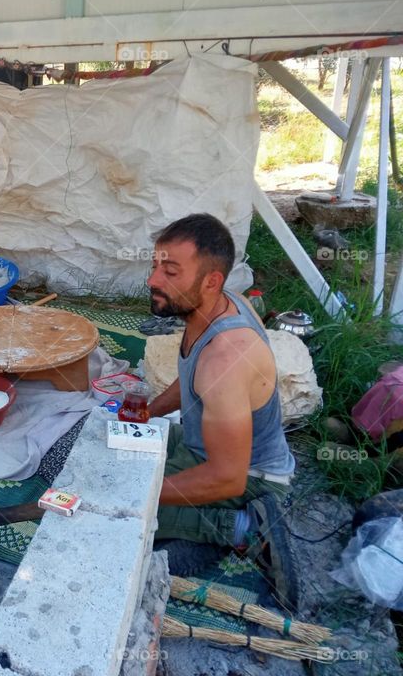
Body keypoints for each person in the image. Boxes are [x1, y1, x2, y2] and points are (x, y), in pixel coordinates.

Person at [145, 213, 297, 609]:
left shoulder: (227, 356)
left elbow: (227, 477)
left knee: (115, 510)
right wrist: (149, 411)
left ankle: (245, 528)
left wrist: (139, 496)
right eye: (155, 265)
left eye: (171, 271)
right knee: (124, 453)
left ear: (211, 281)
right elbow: (193, 377)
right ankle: (203, 523)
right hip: (206, 444)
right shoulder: (216, 305)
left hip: (249, 476)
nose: (153, 280)